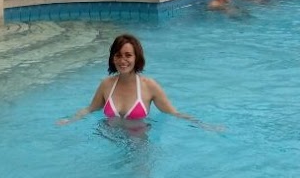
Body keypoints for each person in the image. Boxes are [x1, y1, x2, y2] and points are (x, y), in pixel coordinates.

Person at [58, 34, 196, 125]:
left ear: (136, 57)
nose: (122, 60)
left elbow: (173, 113)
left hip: (138, 147)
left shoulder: (149, 86)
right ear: (113, 58)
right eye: (118, 55)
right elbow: (90, 109)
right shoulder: (106, 84)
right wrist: (69, 120)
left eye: (128, 55)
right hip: (108, 142)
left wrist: (200, 125)